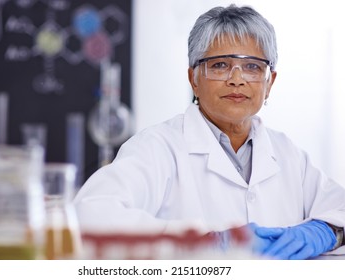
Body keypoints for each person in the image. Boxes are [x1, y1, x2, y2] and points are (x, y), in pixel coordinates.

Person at [74, 4, 345, 260]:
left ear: (269, 82)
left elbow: (339, 209)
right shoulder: (157, 147)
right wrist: (201, 242)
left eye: (252, 67)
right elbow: (90, 215)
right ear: (193, 78)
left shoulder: (289, 154)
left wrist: (327, 232)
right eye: (220, 65)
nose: (236, 78)